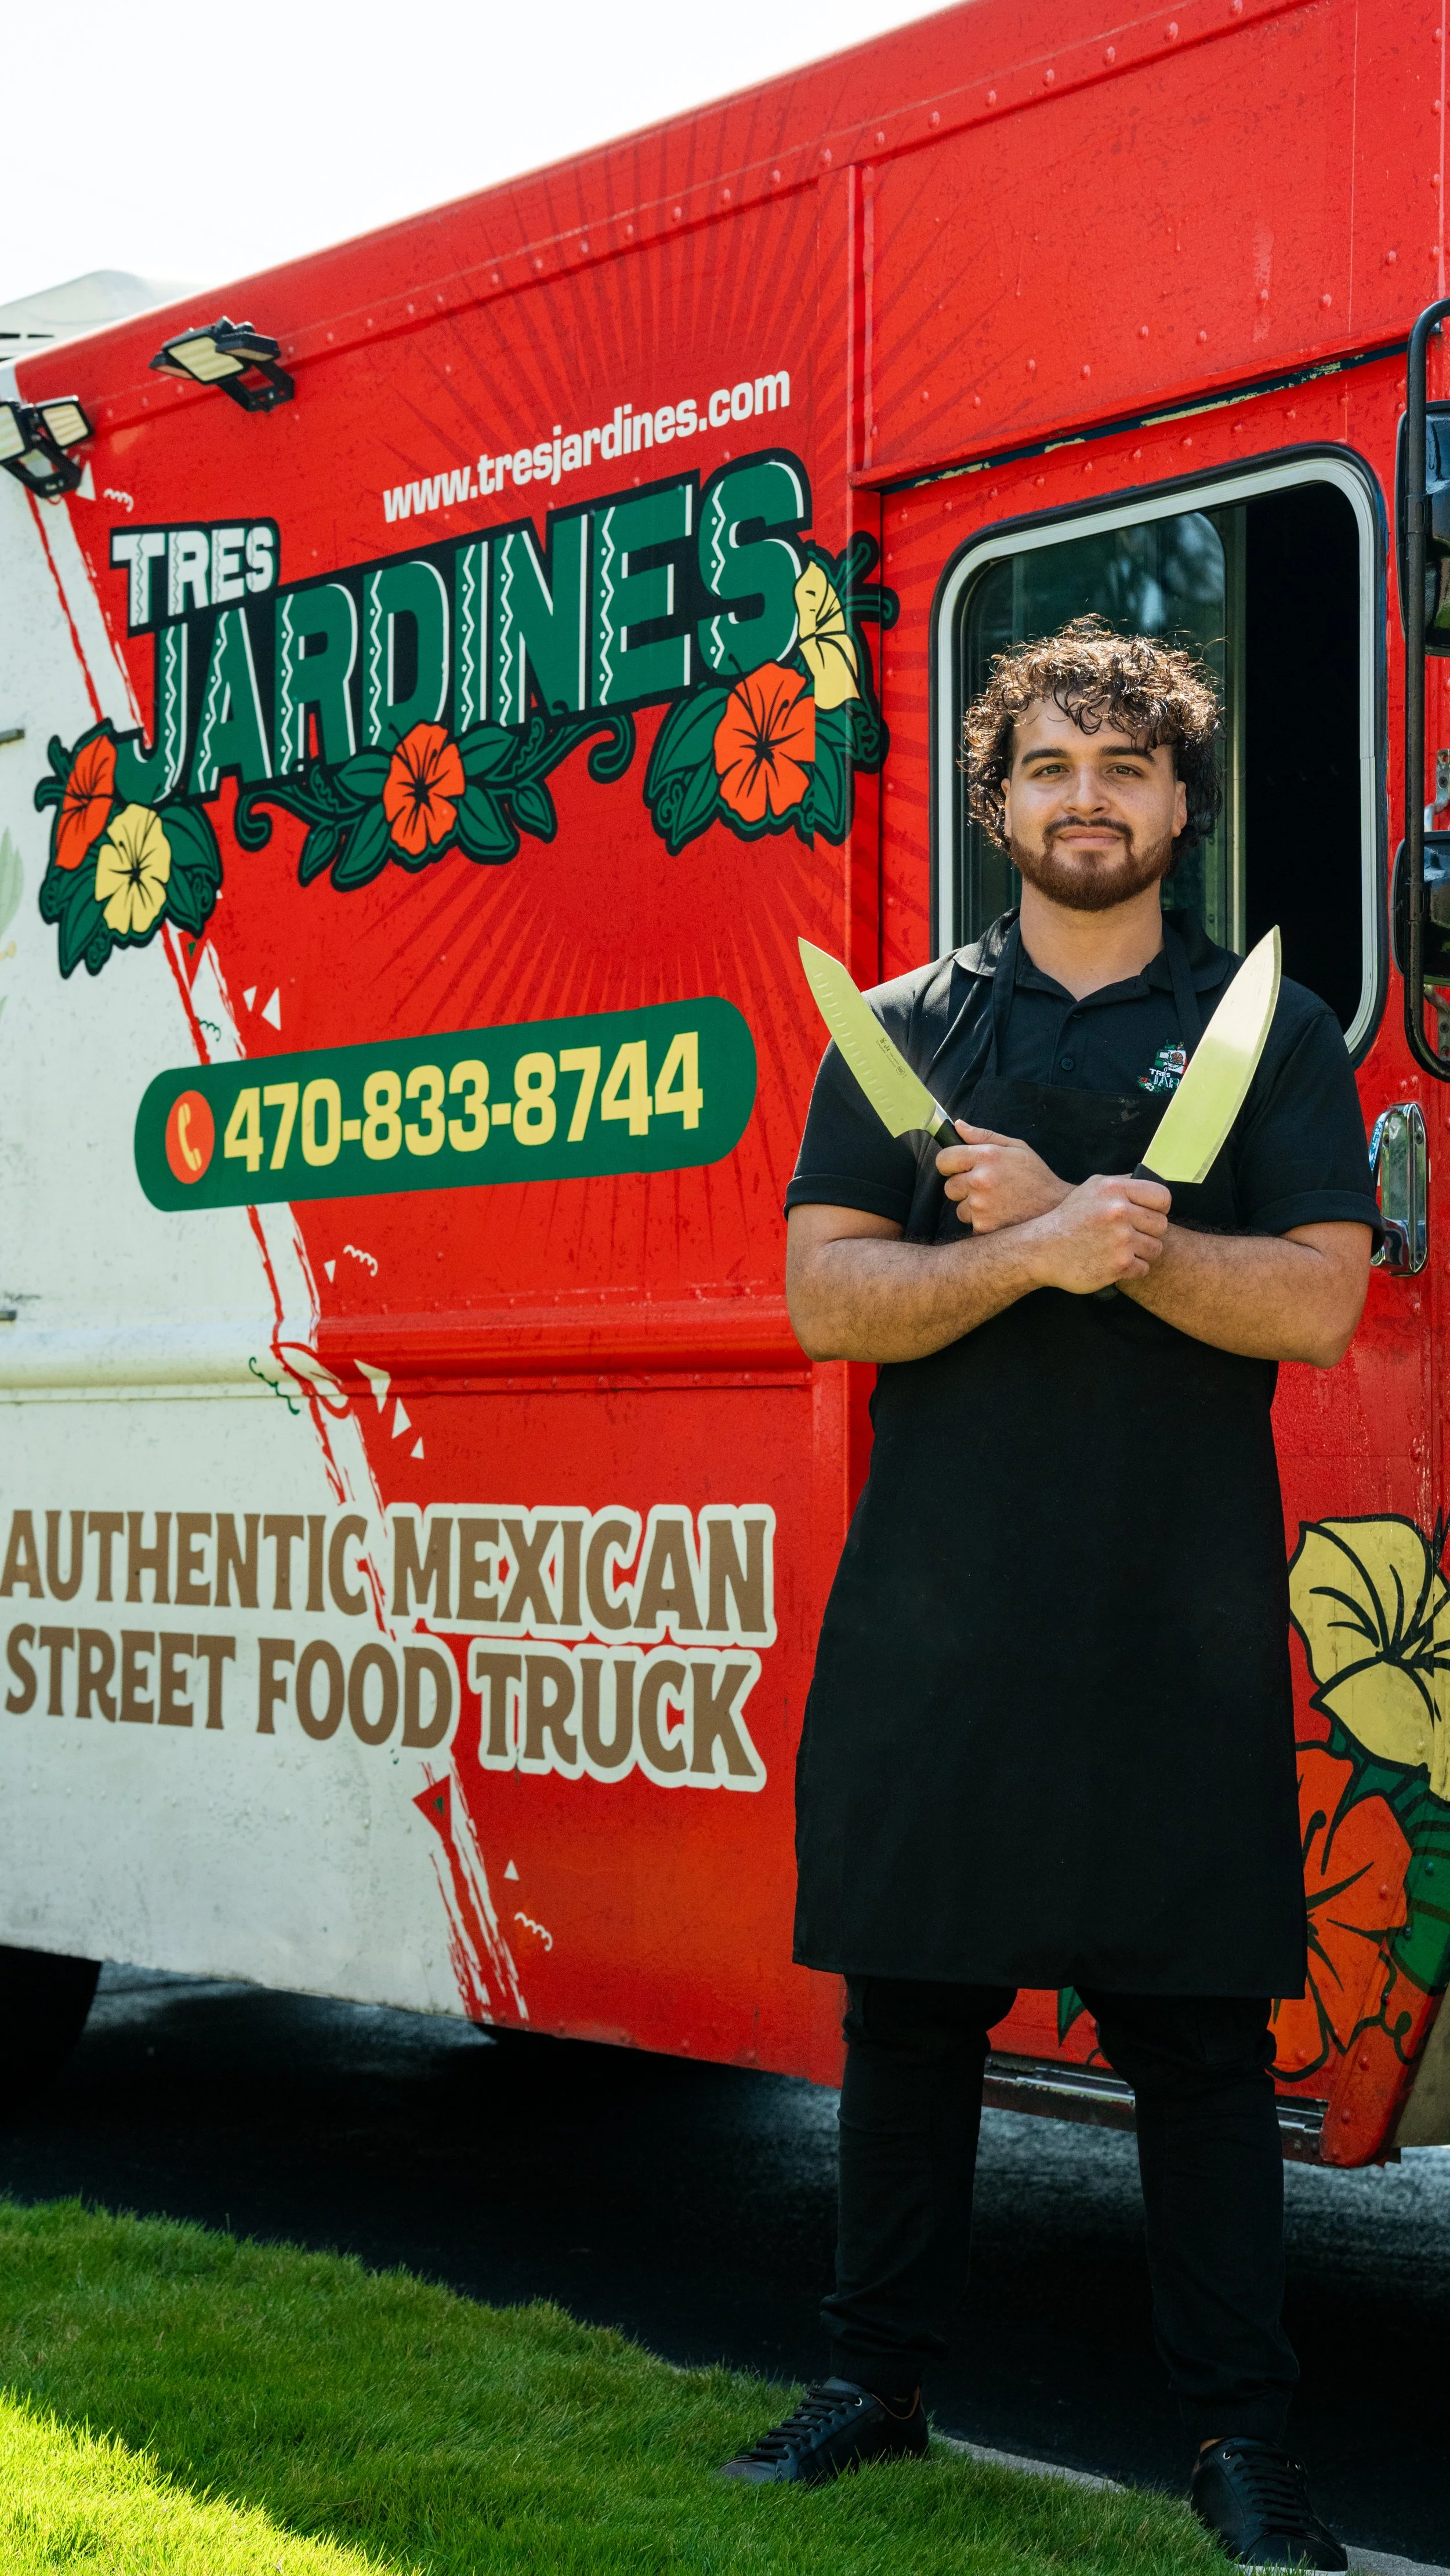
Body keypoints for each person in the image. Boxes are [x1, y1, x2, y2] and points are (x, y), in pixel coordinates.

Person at [720, 619, 1380, 2570]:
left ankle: (1235, 2445)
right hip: (935, 1609)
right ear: (997, 802)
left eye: (1124, 770)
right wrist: (1021, 1256)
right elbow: (827, 1294)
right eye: (1048, 770)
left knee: (1199, 2043)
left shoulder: (1271, 1034)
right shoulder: (910, 1031)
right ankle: (875, 2382)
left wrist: (1121, 1245)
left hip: (1170, 1614)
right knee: (909, 2013)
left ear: (1180, 804)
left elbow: (1319, 1302)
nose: (1084, 802)